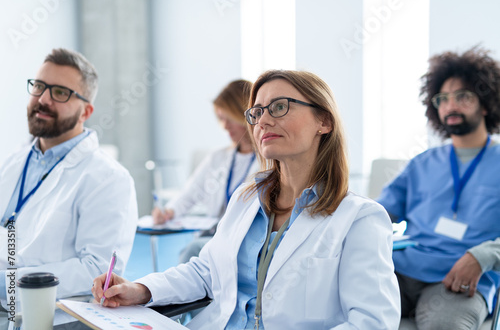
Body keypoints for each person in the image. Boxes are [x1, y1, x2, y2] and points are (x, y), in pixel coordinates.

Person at [93, 70, 400, 329]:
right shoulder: (247, 198)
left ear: (324, 121)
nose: (262, 121)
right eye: (257, 112)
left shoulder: (360, 218)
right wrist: (140, 289)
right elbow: (206, 271)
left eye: (279, 107)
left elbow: (372, 322)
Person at [0, 48, 138, 311]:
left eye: (60, 93)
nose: (44, 99)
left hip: (49, 315)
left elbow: (96, 272)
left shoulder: (109, 179)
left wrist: (6, 284)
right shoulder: (12, 163)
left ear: (86, 112)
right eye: (39, 86)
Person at [377, 46, 500, 329]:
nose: (450, 106)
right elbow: (377, 213)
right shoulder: (421, 163)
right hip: (400, 270)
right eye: (442, 98)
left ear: (486, 104)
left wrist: (485, 255)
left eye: (463, 97)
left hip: (461, 279)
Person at [151, 79, 258, 264]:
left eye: (229, 118)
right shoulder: (218, 158)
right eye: (221, 119)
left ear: (246, 114)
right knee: (196, 253)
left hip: (248, 237)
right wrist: (168, 211)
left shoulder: (270, 160)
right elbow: (191, 193)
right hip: (218, 234)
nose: (225, 126)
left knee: (194, 252)